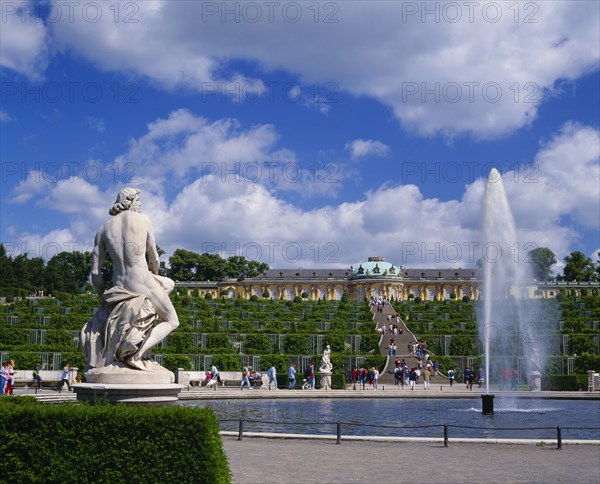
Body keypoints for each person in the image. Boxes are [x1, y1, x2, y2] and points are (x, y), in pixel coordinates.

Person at [88, 188, 180, 371]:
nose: (140, 205)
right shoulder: (142, 219)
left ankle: (136, 337)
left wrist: (103, 296)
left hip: (117, 285)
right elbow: (154, 257)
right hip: (141, 280)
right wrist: (153, 274)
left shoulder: (103, 229)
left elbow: (96, 273)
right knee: (172, 320)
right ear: (131, 201)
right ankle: (136, 355)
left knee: (168, 283)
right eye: (138, 201)